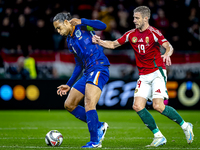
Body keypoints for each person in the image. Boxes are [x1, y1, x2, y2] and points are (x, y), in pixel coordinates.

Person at [92, 6, 194, 147]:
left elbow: (168, 45)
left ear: (146, 18)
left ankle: (185, 126)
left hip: (157, 72)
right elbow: (114, 44)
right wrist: (100, 42)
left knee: (159, 106)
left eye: (137, 18)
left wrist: (167, 53)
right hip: (143, 75)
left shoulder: (154, 32)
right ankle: (158, 136)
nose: (134, 20)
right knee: (137, 106)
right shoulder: (130, 34)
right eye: (134, 17)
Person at [53, 12, 109, 148]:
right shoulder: (69, 41)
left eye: (59, 28)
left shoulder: (82, 27)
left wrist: (82, 21)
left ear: (66, 22)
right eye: (57, 30)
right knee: (69, 104)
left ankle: (95, 141)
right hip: (87, 72)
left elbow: (103, 26)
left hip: (98, 67)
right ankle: (99, 126)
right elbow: (79, 65)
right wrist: (68, 84)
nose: (59, 32)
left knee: (89, 103)